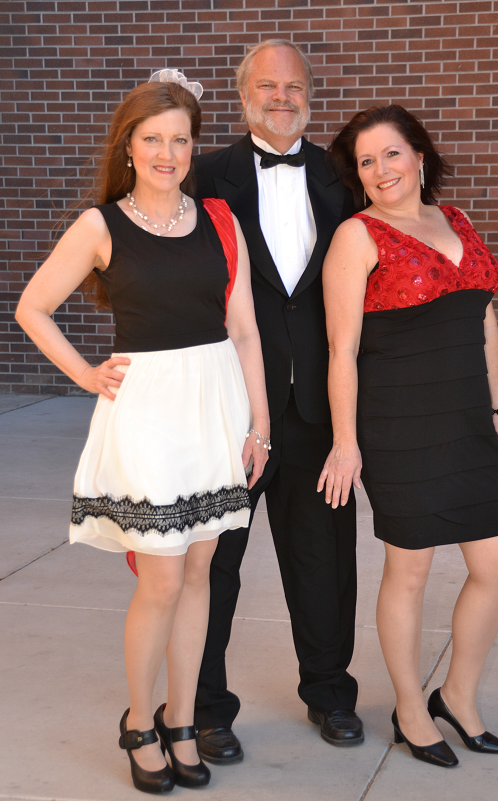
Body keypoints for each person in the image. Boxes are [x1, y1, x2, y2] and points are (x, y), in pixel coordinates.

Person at [15, 69, 270, 793]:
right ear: (128, 146)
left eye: (180, 140)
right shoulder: (101, 225)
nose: (167, 153)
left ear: (193, 147)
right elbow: (33, 307)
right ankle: (137, 722)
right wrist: (84, 373)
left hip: (216, 406)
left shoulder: (219, 220)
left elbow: (245, 331)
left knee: (200, 572)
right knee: (160, 577)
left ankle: (181, 719)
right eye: (153, 139)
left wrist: (260, 426)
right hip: (151, 414)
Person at [317, 103, 498, 768]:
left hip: (466, 420)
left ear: (419, 156)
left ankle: (456, 697)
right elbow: (341, 350)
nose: (380, 169)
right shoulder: (356, 236)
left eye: (391, 153)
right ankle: (410, 708)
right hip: (398, 424)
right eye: (365, 161)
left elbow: (482, 319)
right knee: (409, 570)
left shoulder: (456, 219)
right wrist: (345, 442)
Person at [192, 39, 362, 762]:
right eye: (267, 85)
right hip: (229, 411)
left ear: (310, 95)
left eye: (294, 86)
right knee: (211, 566)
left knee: (324, 561)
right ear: (243, 95)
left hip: (320, 409)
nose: (281, 97)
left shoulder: (344, 175)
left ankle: (329, 692)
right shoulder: (202, 175)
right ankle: (203, 708)